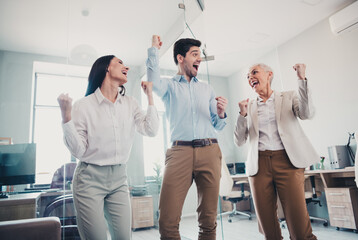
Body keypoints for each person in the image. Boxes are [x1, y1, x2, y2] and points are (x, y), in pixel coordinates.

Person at [57, 55, 159, 240]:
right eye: (120, 62)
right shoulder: (83, 105)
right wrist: (66, 117)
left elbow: (151, 130)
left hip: (119, 178)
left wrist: (150, 97)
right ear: (106, 68)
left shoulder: (130, 103)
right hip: (89, 180)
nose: (126, 66)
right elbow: (78, 151)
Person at [146, 35, 228, 240]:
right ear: (180, 58)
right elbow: (152, 81)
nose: (199, 59)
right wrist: (154, 49)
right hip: (179, 152)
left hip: (209, 150)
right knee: (167, 221)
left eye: (200, 55)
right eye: (194, 54)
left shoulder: (206, 88)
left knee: (209, 220)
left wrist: (220, 113)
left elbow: (217, 125)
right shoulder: (169, 86)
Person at [234, 63, 319, 239]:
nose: (250, 78)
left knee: (299, 224)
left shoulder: (288, 97)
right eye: (248, 76)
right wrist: (241, 115)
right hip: (259, 165)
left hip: (287, 162)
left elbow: (307, 113)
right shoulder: (248, 106)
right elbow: (239, 141)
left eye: (254, 73)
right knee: (267, 225)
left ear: (269, 74)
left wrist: (301, 80)